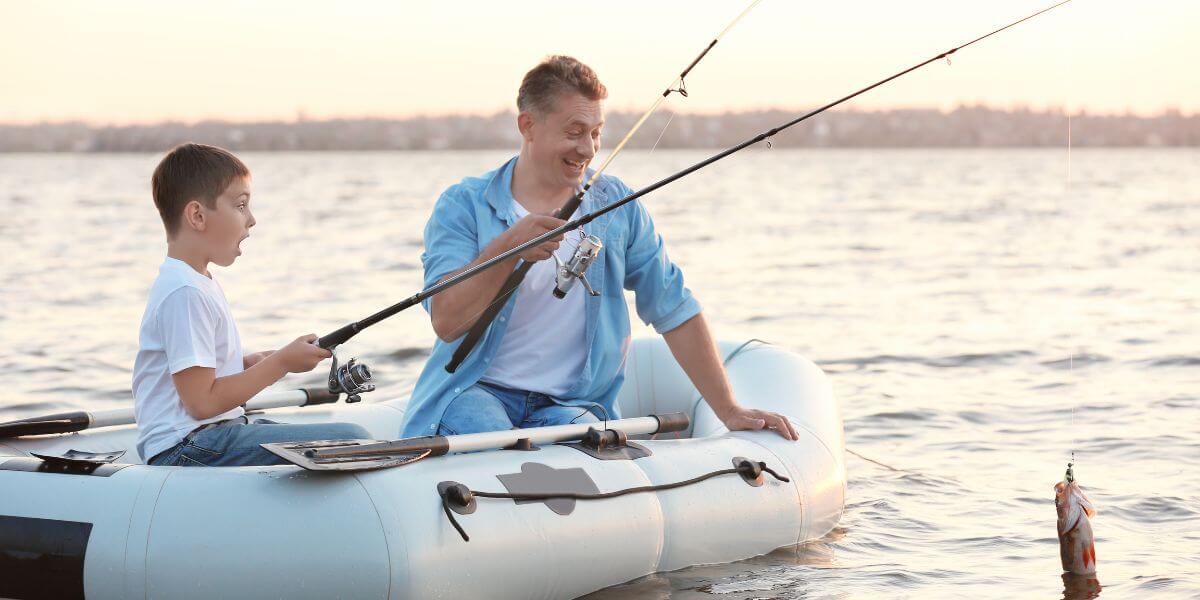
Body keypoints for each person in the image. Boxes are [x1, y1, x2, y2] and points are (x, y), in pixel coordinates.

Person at [401, 56, 798, 441]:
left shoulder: (617, 205)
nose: (589, 149)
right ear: (528, 126)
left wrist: (729, 410)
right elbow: (446, 320)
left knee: (576, 448)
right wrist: (509, 248)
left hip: (571, 404)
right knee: (490, 440)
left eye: (596, 132)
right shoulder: (463, 204)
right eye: (574, 132)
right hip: (473, 393)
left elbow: (673, 307)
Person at [133, 143, 371, 466]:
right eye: (241, 205)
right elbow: (201, 403)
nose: (252, 219)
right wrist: (282, 363)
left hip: (210, 435)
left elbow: (198, 374)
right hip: (186, 447)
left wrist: (251, 363)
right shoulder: (184, 292)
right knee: (352, 438)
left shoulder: (195, 281)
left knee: (349, 438)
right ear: (197, 216)